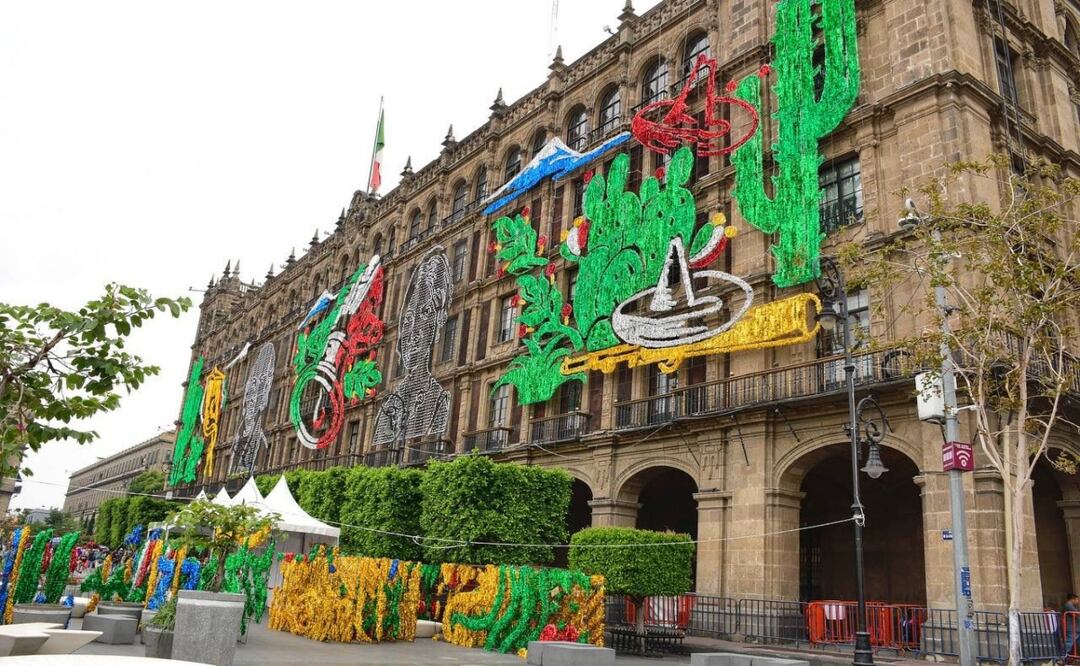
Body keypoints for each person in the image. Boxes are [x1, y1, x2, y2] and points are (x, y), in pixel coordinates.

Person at [1062, 593, 1079, 663]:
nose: (1078, 601)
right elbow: (1076, 613)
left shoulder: (1072, 606)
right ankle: (1061, 658)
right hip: (1072, 628)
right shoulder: (1068, 605)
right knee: (1068, 643)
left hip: (1077, 628)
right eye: (1077, 599)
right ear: (1072, 599)